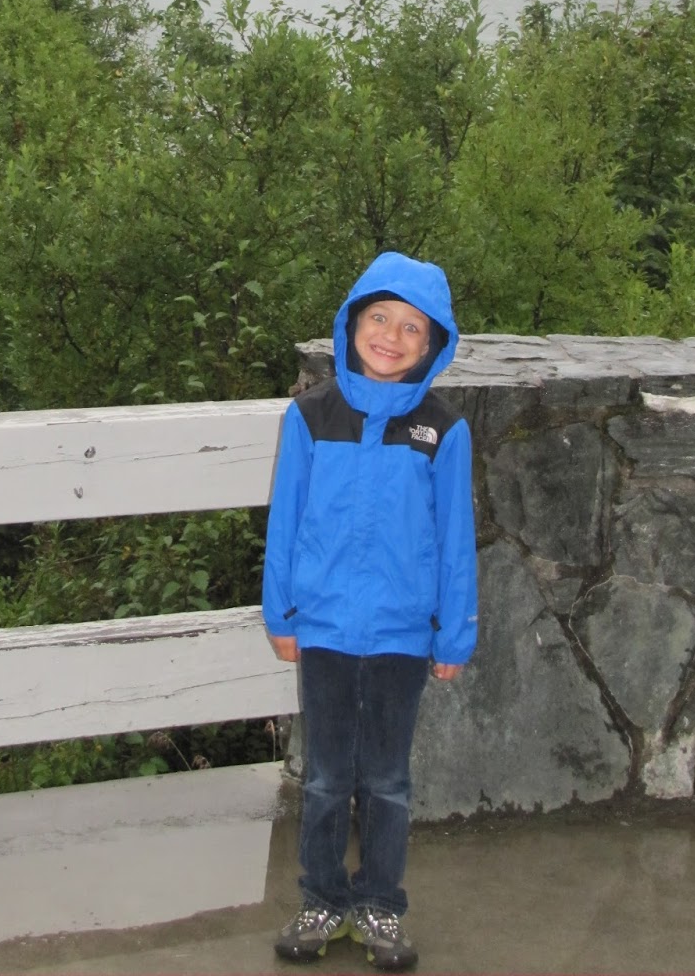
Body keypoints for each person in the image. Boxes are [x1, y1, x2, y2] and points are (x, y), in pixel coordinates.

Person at [262, 251, 477, 971]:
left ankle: (381, 905)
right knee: (326, 779)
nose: (391, 336)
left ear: (433, 343)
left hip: (401, 637)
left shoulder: (442, 430)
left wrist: (455, 632)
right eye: (380, 318)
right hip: (323, 629)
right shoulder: (310, 416)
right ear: (352, 323)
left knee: (386, 782)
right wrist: (281, 616)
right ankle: (321, 899)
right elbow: (286, 521)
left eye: (412, 327)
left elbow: (455, 540)